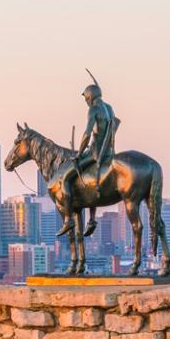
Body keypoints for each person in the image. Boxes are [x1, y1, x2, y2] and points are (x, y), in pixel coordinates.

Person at [55, 70, 120, 236]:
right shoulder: (109, 108)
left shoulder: (94, 110)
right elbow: (114, 126)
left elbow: (87, 134)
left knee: (66, 179)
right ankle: (91, 220)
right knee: (88, 181)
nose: (85, 100)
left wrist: (79, 153)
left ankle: (68, 219)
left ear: (90, 96)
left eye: (85, 97)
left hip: (95, 153)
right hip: (109, 152)